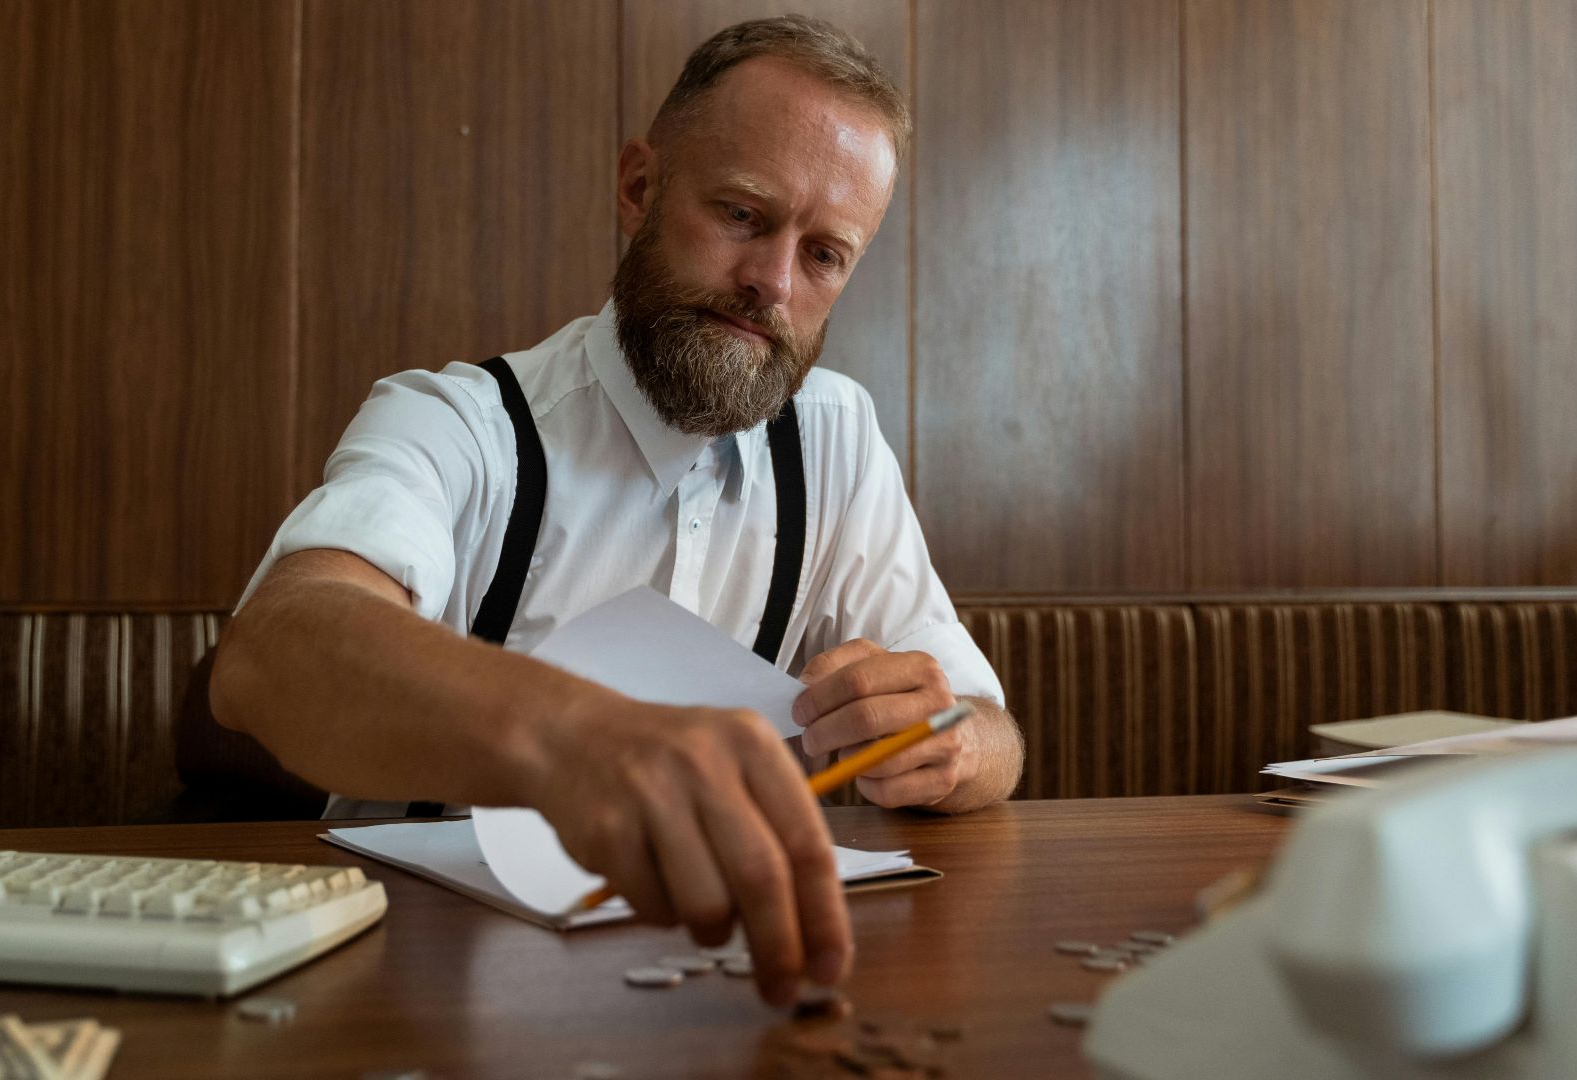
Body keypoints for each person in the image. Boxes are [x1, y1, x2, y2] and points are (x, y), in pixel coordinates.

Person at [210, 15, 1024, 1008]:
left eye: (825, 255)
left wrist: (947, 745)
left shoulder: (835, 435)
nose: (772, 280)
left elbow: (991, 731)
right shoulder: (459, 421)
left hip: (718, 993)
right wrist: (576, 738)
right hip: (412, 993)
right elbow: (273, 654)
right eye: (740, 214)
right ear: (639, 187)